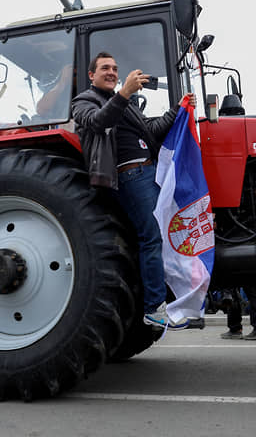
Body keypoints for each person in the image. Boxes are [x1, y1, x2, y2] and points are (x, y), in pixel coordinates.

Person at [71, 51, 195, 329]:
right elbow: (98, 122)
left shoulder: (127, 105)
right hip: (129, 175)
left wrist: (178, 109)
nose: (112, 72)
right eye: (105, 68)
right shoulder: (84, 101)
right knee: (151, 237)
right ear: (92, 75)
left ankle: (169, 299)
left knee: (163, 235)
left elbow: (151, 131)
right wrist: (125, 92)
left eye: (115, 68)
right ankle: (154, 308)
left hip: (149, 171)